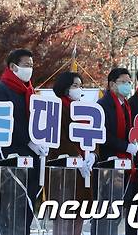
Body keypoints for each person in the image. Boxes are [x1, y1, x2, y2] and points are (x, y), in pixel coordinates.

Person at [0, 48, 39, 235]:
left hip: (30, 160)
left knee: (24, 212)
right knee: (7, 212)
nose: (30, 69)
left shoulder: (30, 91)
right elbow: (7, 123)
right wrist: (29, 140)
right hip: (9, 158)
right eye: (26, 65)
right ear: (13, 66)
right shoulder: (0, 90)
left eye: (32, 66)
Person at [47, 71, 96, 235]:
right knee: (64, 213)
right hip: (64, 169)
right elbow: (59, 139)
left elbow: (94, 132)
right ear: (65, 87)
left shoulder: (83, 109)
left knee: (79, 213)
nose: (79, 89)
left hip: (84, 170)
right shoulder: (57, 107)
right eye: (75, 85)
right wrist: (77, 156)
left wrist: (92, 154)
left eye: (81, 86)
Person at [97, 68, 138, 235]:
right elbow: (103, 135)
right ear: (112, 84)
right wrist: (125, 146)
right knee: (107, 211)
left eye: (129, 82)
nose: (127, 85)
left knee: (118, 210)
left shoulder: (126, 105)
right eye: (123, 82)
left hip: (124, 164)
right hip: (108, 163)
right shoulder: (103, 105)